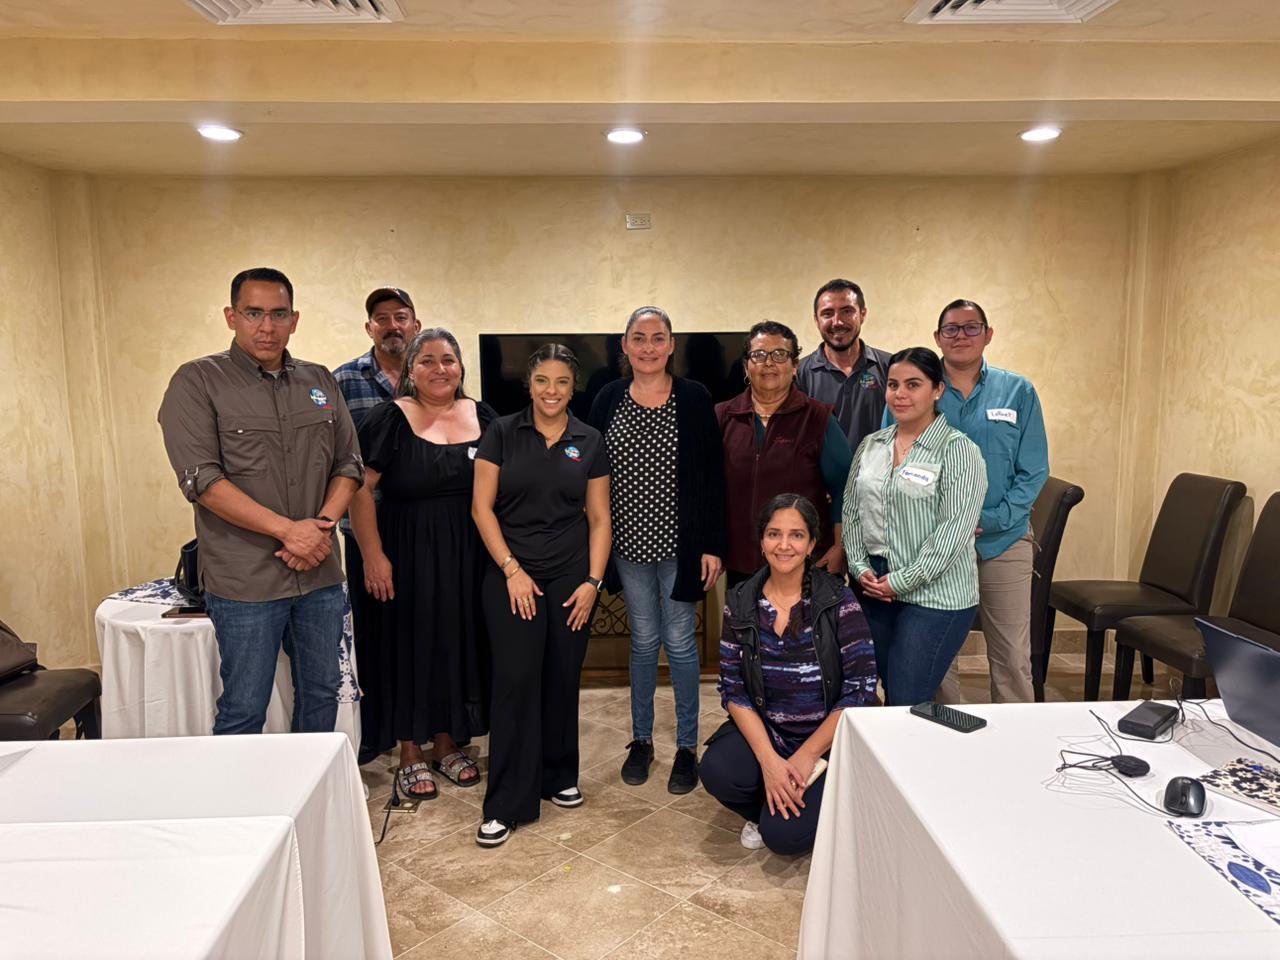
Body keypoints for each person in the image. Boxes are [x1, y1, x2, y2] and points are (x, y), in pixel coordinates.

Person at [158, 267, 362, 735]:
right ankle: (242, 789)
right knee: (244, 708)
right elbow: (203, 480)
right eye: (253, 313)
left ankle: (310, 786)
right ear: (231, 316)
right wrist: (289, 532)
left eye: (278, 314)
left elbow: (349, 463)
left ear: (295, 319)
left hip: (319, 574)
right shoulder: (197, 381)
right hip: (245, 580)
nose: (267, 326)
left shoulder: (318, 380)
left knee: (321, 695)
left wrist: (318, 529)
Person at [471, 344, 611, 847]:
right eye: (542, 381)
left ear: (574, 388)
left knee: (561, 674)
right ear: (528, 384)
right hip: (512, 574)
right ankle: (506, 803)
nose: (552, 391)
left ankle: (558, 774)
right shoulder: (501, 432)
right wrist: (511, 569)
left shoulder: (589, 439)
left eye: (562, 382)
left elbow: (599, 518)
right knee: (516, 680)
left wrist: (593, 583)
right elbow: (482, 509)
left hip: (571, 577)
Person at [348, 329, 495, 798]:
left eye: (448, 359)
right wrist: (373, 555)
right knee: (410, 645)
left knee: (457, 642)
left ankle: (447, 741)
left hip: (469, 554)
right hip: (406, 553)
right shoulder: (389, 418)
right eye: (427, 360)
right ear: (411, 369)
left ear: (460, 367)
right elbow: (358, 489)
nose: (439, 369)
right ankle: (410, 750)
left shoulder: (483, 416)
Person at [588, 306, 726, 795]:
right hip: (626, 545)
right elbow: (588, 469)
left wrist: (711, 544)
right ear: (624, 345)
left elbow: (711, 475)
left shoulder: (694, 397)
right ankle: (642, 740)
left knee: (681, 642)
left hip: (680, 545)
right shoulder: (607, 397)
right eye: (639, 338)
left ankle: (687, 747)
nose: (648, 347)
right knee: (644, 641)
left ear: (671, 345)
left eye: (658, 338)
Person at [700, 494, 877, 855]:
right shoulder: (740, 601)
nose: (784, 545)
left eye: (796, 535)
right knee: (717, 770)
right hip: (770, 734)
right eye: (774, 534)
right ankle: (773, 803)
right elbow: (732, 688)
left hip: (826, 742)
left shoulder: (838, 600)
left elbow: (861, 690)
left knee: (783, 837)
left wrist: (806, 755)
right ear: (762, 542)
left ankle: (812, 804)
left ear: (812, 544)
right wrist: (769, 762)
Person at [844, 347, 987, 706]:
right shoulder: (871, 445)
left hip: (935, 595)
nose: (900, 394)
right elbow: (852, 510)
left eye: (913, 384)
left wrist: (903, 580)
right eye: (893, 385)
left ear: (937, 390)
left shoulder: (959, 451)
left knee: (906, 698)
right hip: (874, 587)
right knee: (887, 691)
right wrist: (859, 567)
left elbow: (953, 531)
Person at [931, 299, 1048, 704]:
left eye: (971, 327)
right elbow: (894, 460)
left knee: (1013, 657)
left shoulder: (1018, 391)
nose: (961, 336)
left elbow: (1034, 470)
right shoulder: (918, 388)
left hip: (1004, 540)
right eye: (951, 328)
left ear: (988, 334)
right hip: (936, 544)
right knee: (937, 657)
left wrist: (994, 519)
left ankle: (1015, 735)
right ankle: (943, 730)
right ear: (937, 338)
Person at [333, 286, 422, 761]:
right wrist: (369, 551)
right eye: (382, 318)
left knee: (424, 629)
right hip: (365, 532)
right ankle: (378, 730)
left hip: (422, 532)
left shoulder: (432, 375)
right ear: (369, 327)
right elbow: (335, 460)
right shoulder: (343, 381)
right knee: (374, 633)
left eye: (400, 317)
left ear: (415, 325)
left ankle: (427, 724)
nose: (392, 326)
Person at [716, 321, 852, 585]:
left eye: (780, 354)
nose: (769, 363)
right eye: (759, 355)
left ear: (795, 365)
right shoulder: (723, 417)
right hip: (741, 563)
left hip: (807, 563)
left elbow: (845, 489)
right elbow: (707, 490)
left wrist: (840, 547)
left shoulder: (818, 418)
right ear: (746, 366)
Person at [796, 278, 892, 452]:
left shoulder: (890, 366)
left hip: (879, 469)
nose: (837, 322)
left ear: (862, 314)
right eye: (827, 313)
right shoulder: (799, 374)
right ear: (816, 320)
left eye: (847, 311)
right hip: (820, 470)